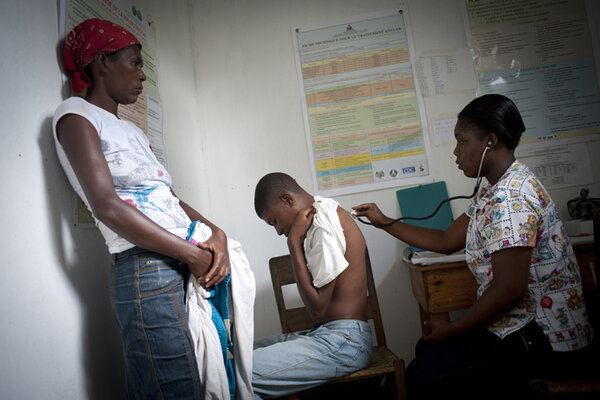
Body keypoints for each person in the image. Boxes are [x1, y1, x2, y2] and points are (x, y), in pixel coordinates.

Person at [53, 18, 254, 399]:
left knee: (198, 381)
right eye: (135, 63)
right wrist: (192, 254)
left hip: (179, 259)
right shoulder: (75, 115)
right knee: (173, 390)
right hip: (146, 268)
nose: (142, 75)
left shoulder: (132, 131)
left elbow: (170, 198)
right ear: (102, 63)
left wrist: (218, 234)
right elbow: (107, 206)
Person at [353, 94, 594, 399]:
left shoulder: (510, 198)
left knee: (422, 375)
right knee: (425, 347)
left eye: (462, 141)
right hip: (520, 324)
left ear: (490, 141)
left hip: (543, 336)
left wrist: (454, 329)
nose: (455, 152)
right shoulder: (495, 191)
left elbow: (508, 290)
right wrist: (383, 220)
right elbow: (444, 241)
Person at [252, 173, 373, 399]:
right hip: (329, 335)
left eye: (274, 221)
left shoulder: (321, 225)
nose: (278, 231)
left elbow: (317, 308)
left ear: (287, 200)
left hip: (346, 342)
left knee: (240, 375)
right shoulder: (322, 209)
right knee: (237, 354)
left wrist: (293, 244)